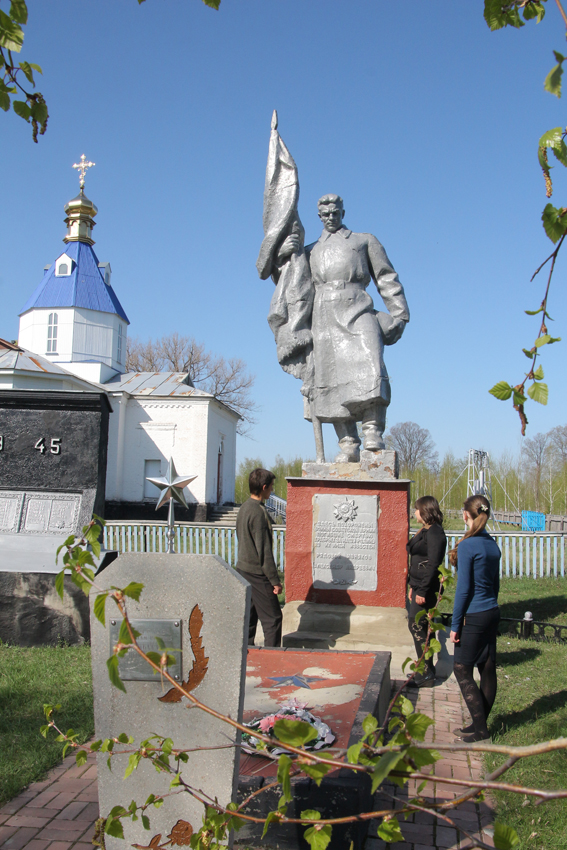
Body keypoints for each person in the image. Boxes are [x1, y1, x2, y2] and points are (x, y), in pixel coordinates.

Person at [275, 194, 410, 462]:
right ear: (319, 217)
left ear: (343, 212)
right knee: (330, 380)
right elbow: (292, 285)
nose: (330, 217)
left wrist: (399, 313)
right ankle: (348, 442)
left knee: (372, 365)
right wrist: (285, 255)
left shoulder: (364, 240)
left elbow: (386, 276)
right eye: (325, 214)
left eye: (335, 212)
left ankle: (373, 430)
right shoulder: (310, 250)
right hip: (323, 316)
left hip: (358, 306)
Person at [449, 495, 501, 742]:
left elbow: (463, 590)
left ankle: (480, 728)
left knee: (461, 668)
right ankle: (479, 723)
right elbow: (496, 585)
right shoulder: (492, 544)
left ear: (466, 515)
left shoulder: (468, 545)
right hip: (491, 611)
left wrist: (455, 624)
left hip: (475, 614)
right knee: (487, 667)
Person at [235, 468, 283, 647]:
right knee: (273, 619)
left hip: (243, 569)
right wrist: (274, 581)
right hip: (257, 573)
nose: (271, 491)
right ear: (263, 487)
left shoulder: (244, 507)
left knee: (250, 619)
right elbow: (264, 551)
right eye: (271, 487)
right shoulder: (258, 512)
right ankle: (272, 661)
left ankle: (246, 658)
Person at [406, 496, 447, 688]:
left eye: (417, 509)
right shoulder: (425, 530)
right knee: (422, 627)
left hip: (427, 588)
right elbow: (417, 560)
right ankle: (427, 670)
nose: (414, 513)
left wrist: (421, 590)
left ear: (425, 511)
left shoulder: (435, 533)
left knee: (416, 625)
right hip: (418, 586)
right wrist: (412, 586)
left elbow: (432, 564)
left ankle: (425, 672)